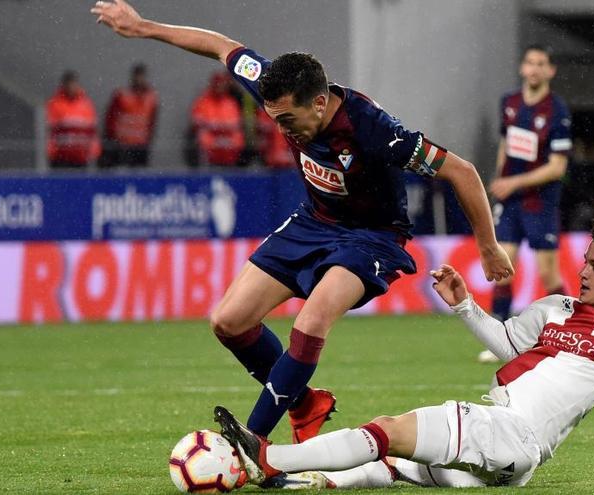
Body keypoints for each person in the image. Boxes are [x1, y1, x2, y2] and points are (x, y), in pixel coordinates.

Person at [90, 0, 513, 444]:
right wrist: (142, 28)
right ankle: (306, 403)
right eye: (276, 120)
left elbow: (461, 171)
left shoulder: (374, 130)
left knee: (310, 323)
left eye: (289, 120)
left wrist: (488, 245)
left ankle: (252, 441)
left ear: (318, 102)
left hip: (372, 239)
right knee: (228, 321)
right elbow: (220, 46)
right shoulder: (278, 87)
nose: (284, 130)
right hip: (315, 222)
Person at [214, 217, 594, 490]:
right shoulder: (555, 308)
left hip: (514, 435)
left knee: (387, 427)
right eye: (586, 262)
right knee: (391, 466)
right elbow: (507, 344)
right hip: (508, 459)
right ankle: (311, 479)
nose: (583, 271)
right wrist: (465, 306)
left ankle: (267, 459)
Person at [477, 44, 571, 364]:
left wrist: (513, 182)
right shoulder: (510, 104)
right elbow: (506, 143)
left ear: (550, 71)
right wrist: (499, 179)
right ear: (522, 68)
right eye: (529, 62)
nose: (534, 68)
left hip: (539, 201)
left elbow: (557, 168)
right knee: (503, 268)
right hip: (511, 200)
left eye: (540, 63)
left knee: (548, 275)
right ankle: (500, 340)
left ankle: (570, 333)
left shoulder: (557, 111)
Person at [101, 63, 158, 167]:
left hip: (141, 143)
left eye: (141, 76)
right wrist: (111, 138)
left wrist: (149, 140)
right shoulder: (122, 95)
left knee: (139, 173)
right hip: (122, 143)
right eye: (137, 76)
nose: (139, 79)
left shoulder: (151, 97)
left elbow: (152, 121)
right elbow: (111, 118)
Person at [46, 70, 100, 169]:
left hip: (81, 155)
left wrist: (94, 151)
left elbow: (92, 129)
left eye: (73, 83)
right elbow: (50, 129)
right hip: (60, 156)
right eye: (68, 83)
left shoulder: (86, 104)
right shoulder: (55, 103)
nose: (71, 87)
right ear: (63, 85)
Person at [190, 71, 245, 167]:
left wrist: (222, 127)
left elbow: (236, 122)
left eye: (222, 84)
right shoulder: (203, 100)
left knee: (238, 138)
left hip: (228, 135)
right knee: (204, 137)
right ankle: (206, 168)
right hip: (211, 134)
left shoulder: (230, 102)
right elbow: (197, 120)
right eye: (217, 84)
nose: (219, 87)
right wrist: (213, 126)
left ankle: (233, 167)